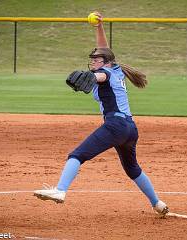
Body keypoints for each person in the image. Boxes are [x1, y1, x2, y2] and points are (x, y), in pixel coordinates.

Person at [34, 12, 169, 217]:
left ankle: (60, 190)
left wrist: (92, 76)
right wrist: (98, 27)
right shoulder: (116, 70)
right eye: (93, 60)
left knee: (77, 155)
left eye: (96, 60)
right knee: (132, 168)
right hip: (130, 129)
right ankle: (157, 203)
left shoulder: (105, 73)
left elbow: (99, 75)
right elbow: (105, 52)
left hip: (115, 126)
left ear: (105, 63)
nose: (93, 63)